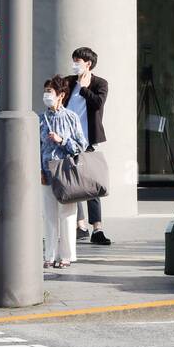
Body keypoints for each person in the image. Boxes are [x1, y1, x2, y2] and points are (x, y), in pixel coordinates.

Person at [39, 75, 87, 269]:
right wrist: (38, 170)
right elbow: (35, 146)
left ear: (61, 95)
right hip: (46, 172)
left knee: (67, 216)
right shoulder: (40, 119)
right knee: (49, 216)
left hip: (66, 173)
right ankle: (49, 255)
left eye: (50, 91)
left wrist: (62, 140)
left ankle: (66, 256)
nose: (46, 95)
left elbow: (81, 146)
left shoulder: (71, 117)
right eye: (45, 91)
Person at [65, 46, 110, 245]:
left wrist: (83, 89)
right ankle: (79, 225)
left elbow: (98, 104)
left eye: (78, 61)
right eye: (73, 60)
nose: (75, 65)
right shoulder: (68, 82)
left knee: (91, 185)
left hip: (88, 141)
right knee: (73, 184)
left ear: (88, 63)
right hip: (67, 141)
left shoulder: (100, 83)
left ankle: (97, 229)